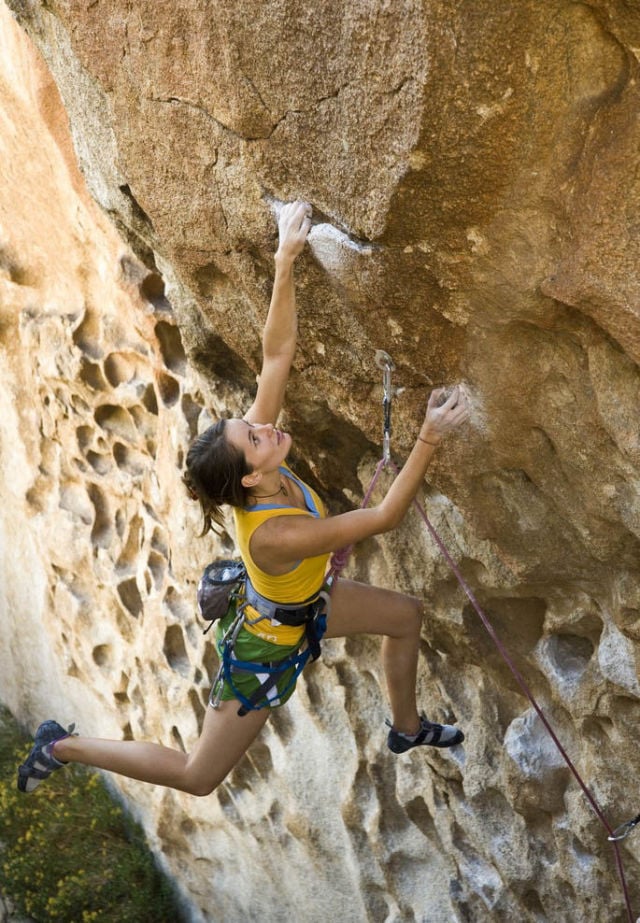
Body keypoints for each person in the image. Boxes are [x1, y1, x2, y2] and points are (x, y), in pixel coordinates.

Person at [18, 200, 469, 797]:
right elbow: (383, 516)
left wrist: (285, 258)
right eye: (254, 437)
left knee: (404, 616)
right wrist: (430, 436)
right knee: (198, 776)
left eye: (251, 425)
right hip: (266, 642)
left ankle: (406, 729)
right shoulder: (274, 532)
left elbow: (275, 355)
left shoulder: (254, 467)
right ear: (250, 480)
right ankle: (61, 744)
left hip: (305, 603)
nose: (265, 427)